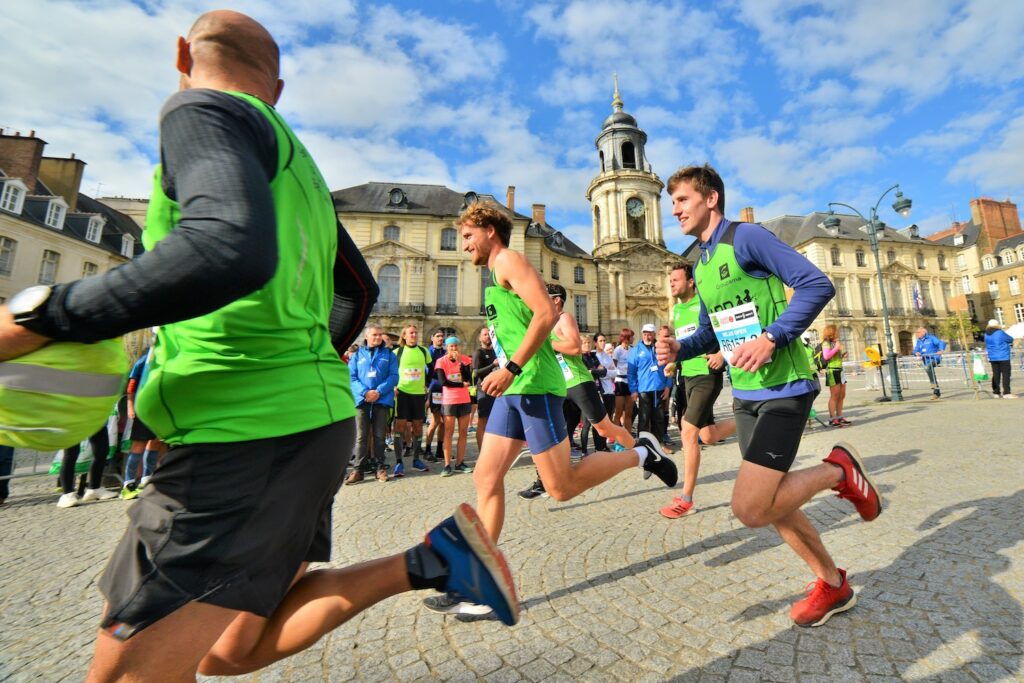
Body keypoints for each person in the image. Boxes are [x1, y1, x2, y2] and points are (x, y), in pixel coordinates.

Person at [0, 12, 519, 679]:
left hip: (242, 431)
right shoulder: (296, 163)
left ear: (182, 53)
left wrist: (41, 318)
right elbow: (355, 292)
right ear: (278, 86)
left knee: (128, 674)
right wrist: (298, 372)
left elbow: (224, 249)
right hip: (314, 423)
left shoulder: (203, 110)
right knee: (229, 648)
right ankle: (433, 559)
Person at [656, 164, 883, 628]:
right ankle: (832, 583)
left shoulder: (747, 238)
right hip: (746, 393)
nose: (673, 209)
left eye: (681, 200)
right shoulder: (700, 261)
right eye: (672, 202)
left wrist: (774, 336)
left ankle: (838, 469)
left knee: (751, 507)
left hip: (785, 386)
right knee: (775, 499)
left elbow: (818, 284)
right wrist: (682, 346)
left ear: (711, 199)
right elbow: (711, 331)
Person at [425, 204, 677, 616]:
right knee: (485, 477)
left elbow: (546, 313)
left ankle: (640, 453)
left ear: (489, 230)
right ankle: (482, 584)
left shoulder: (509, 260)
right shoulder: (495, 272)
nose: (463, 243)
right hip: (514, 391)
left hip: (536, 386)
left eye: (467, 235)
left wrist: (510, 367)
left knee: (561, 488)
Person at [520, 285, 638, 499]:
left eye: (546, 296)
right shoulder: (543, 321)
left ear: (556, 300)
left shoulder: (564, 319)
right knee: (556, 434)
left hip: (578, 382)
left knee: (604, 429)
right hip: (557, 385)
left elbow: (575, 347)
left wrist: (546, 341)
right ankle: (544, 481)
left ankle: (643, 451)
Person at [660, 262, 736, 519]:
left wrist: (722, 354)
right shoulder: (679, 310)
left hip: (707, 375)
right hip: (688, 378)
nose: (671, 283)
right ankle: (751, 419)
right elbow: (687, 343)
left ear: (691, 281)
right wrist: (674, 362)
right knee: (708, 435)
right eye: (669, 280)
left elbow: (729, 329)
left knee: (688, 431)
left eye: (676, 279)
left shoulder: (705, 303)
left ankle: (686, 497)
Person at [348, 325, 400, 483]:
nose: (377, 337)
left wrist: (378, 391)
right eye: (374, 335)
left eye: (379, 335)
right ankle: (358, 470)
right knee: (361, 437)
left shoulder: (389, 355)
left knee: (379, 436)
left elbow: (393, 376)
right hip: (362, 400)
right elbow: (351, 377)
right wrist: (365, 392)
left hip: (381, 399)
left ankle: (380, 468)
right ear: (366, 336)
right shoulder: (357, 355)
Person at [392, 325, 431, 473]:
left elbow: (431, 368)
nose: (414, 335)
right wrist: (394, 386)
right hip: (402, 393)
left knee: (418, 426)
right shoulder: (397, 352)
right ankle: (398, 461)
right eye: (411, 333)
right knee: (400, 426)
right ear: (404, 336)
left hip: (418, 394)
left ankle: (416, 460)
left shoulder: (423, 351)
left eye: (415, 332)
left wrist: (426, 384)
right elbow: (391, 371)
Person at [628, 324, 671, 451]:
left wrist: (668, 386)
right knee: (644, 418)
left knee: (659, 418)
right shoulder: (636, 351)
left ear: (654, 334)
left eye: (650, 333)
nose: (648, 335)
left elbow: (670, 368)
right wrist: (633, 390)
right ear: (642, 334)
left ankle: (660, 444)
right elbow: (631, 373)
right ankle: (643, 445)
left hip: (659, 388)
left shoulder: (661, 348)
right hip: (644, 389)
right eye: (645, 333)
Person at [435, 336, 474, 477]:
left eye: (456, 346)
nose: (454, 349)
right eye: (451, 346)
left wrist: (460, 363)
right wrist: (460, 385)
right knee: (448, 433)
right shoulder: (441, 361)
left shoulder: (464, 360)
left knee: (463, 432)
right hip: (450, 400)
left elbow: (468, 378)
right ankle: (446, 465)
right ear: (446, 347)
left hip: (464, 399)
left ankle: (459, 462)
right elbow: (443, 382)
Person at [57, 422, 119, 508]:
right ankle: (67, 494)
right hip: (72, 417)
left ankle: (94, 488)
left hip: (95, 416)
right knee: (71, 453)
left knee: (102, 450)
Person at [472, 327, 499, 450]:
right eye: (484, 334)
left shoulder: (496, 351)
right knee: (482, 422)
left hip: (497, 390)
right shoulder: (479, 353)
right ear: (480, 338)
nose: (487, 336)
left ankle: (492, 450)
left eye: (489, 334)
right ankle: (482, 452)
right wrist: (492, 365)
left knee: (494, 422)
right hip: (484, 391)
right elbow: (476, 373)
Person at [423, 329, 447, 461]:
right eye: (438, 336)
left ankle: (439, 450)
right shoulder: (428, 352)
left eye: (442, 336)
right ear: (432, 338)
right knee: (436, 420)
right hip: (434, 388)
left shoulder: (445, 352)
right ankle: (427, 449)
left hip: (446, 389)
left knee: (444, 421)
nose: (440, 339)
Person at [820, 324, 849, 426]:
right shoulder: (826, 343)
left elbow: (834, 356)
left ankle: (840, 416)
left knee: (842, 394)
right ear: (832, 332)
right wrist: (836, 348)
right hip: (832, 371)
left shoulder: (835, 343)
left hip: (840, 370)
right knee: (835, 395)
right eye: (837, 331)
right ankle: (832, 418)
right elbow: (827, 356)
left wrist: (842, 355)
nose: (838, 333)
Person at [984, 319, 1016, 398]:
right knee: (1006, 374)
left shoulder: (986, 334)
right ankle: (1007, 393)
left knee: (996, 374)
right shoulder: (1000, 332)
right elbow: (1010, 339)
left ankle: (996, 392)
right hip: (1003, 356)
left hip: (992, 357)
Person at [913, 327, 946, 400]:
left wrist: (941, 350)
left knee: (928, 367)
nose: (917, 334)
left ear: (923, 332)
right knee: (931, 372)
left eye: (918, 332)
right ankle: (936, 393)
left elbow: (941, 342)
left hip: (935, 358)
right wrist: (916, 352)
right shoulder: (919, 341)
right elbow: (915, 349)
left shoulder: (931, 338)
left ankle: (933, 384)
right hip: (926, 360)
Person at [612, 329, 634, 429]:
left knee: (629, 413)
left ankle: (628, 437)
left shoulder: (632, 349)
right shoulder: (618, 350)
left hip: (630, 381)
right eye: (631, 337)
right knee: (619, 412)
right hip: (620, 382)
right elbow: (613, 366)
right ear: (626, 338)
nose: (633, 338)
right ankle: (617, 440)